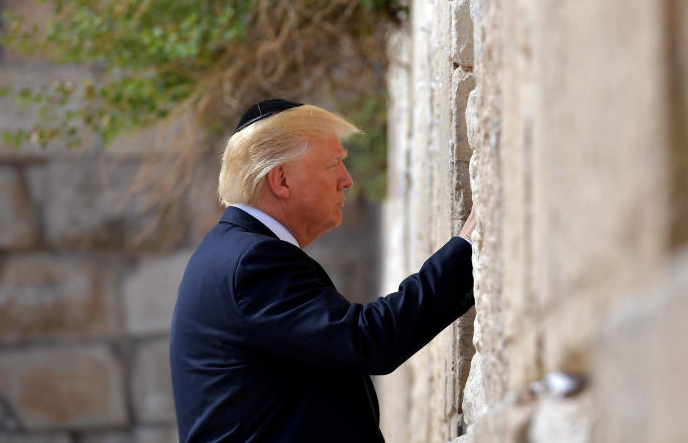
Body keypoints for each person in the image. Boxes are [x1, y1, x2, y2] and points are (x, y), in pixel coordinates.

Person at [170, 99, 476, 442]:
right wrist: (466, 251)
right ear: (281, 180)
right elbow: (367, 340)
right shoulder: (252, 263)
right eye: (333, 165)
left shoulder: (232, 252)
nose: (347, 180)